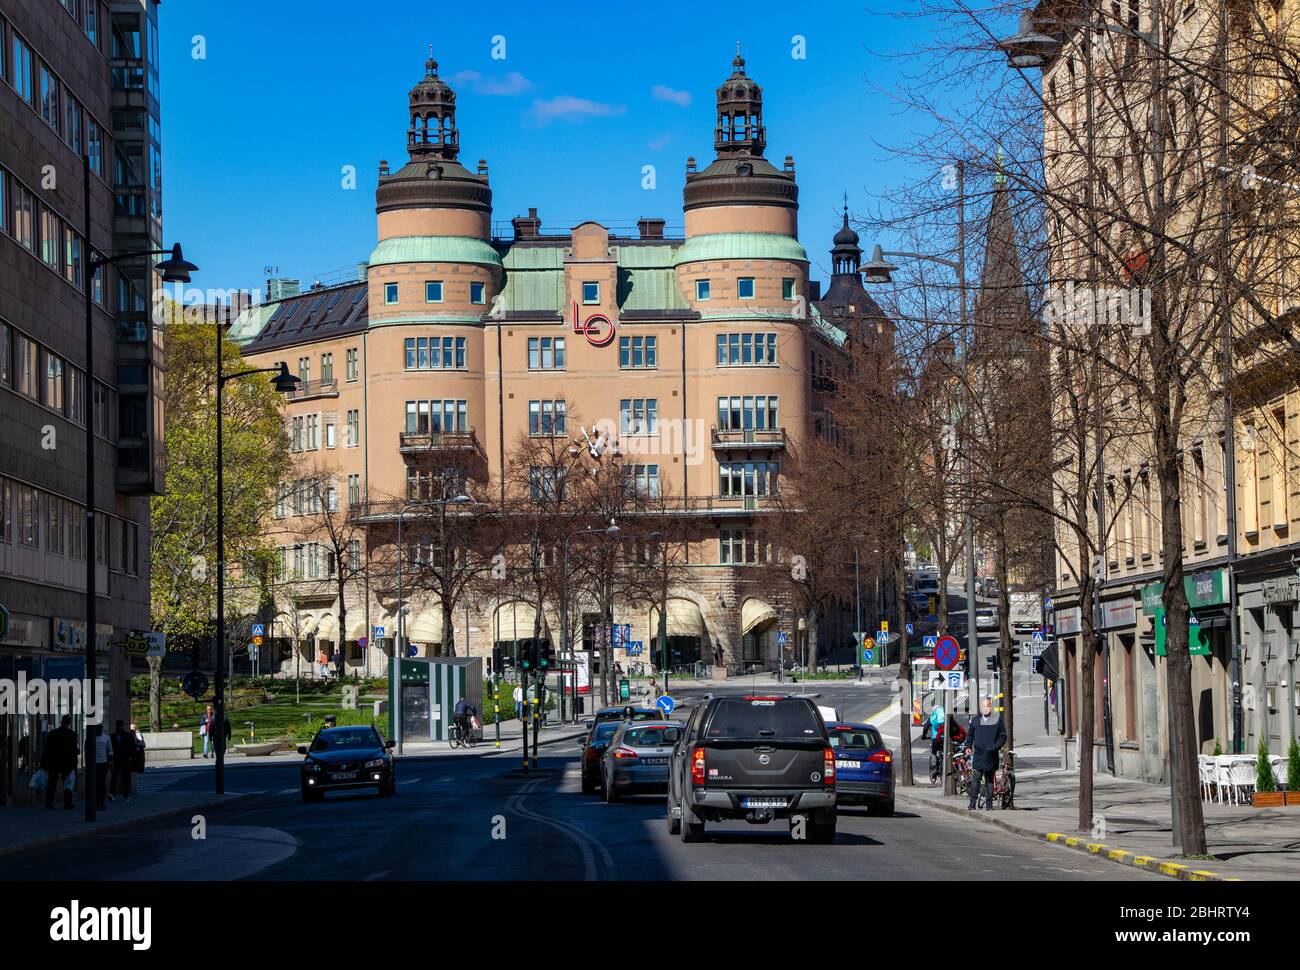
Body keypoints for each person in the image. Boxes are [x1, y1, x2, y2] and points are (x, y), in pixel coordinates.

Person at [965, 697, 1007, 811]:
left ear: (991, 707)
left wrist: (995, 747)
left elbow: (1003, 736)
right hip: (979, 754)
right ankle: (972, 804)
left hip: (991, 754)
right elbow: (970, 735)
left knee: (989, 780)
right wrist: (968, 746)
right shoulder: (976, 721)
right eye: (984, 706)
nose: (986, 708)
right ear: (981, 708)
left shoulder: (997, 720)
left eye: (988, 706)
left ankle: (989, 805)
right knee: (976, 778)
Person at [40, 715, 79, 810]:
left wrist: (44, 762)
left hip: (54, 762)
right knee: (67, 783)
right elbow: (73, 751)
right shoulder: (72, 734)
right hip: (67, 763)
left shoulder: (52, 733)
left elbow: (47, 749)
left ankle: (49, 803)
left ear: (61, 722)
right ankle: (67, 804)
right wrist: (74, 763)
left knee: (52, 783)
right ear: (69, 723)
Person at [109, 720, 134, 802]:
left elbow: (132, 747)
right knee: (114, 777)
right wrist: (111, 759)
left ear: (123, 726)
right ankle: (112, 794)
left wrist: (131, 758)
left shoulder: (128, 735)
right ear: (116, 726)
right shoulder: (112, 736)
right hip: (116, 759)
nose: (119, 727)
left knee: (125, 778)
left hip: (125, 759)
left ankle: (126, 795)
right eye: (118, 726)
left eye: (120, 726)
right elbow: (110, 748)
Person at [92, 725, 112, 811]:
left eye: (100, 729)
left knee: (101, 783)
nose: (99, 730)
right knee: (97, 784)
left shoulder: (106, 738)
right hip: (94, 764)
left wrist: (110, 761)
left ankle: (101, 802)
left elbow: (110, 750)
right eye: (97, 729)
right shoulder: (92, 738)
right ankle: (97, 802)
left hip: (103, 763)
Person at [128, 722, 147, 792]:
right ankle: (132, 788)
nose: (133, 729)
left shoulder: (138, 734)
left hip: (137, 757)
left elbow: (143, 744)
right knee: (132, 773)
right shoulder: (129, 735)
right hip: (131, 757)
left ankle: (134, 787)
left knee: (135, 773)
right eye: (132, 727)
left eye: (134, 727)